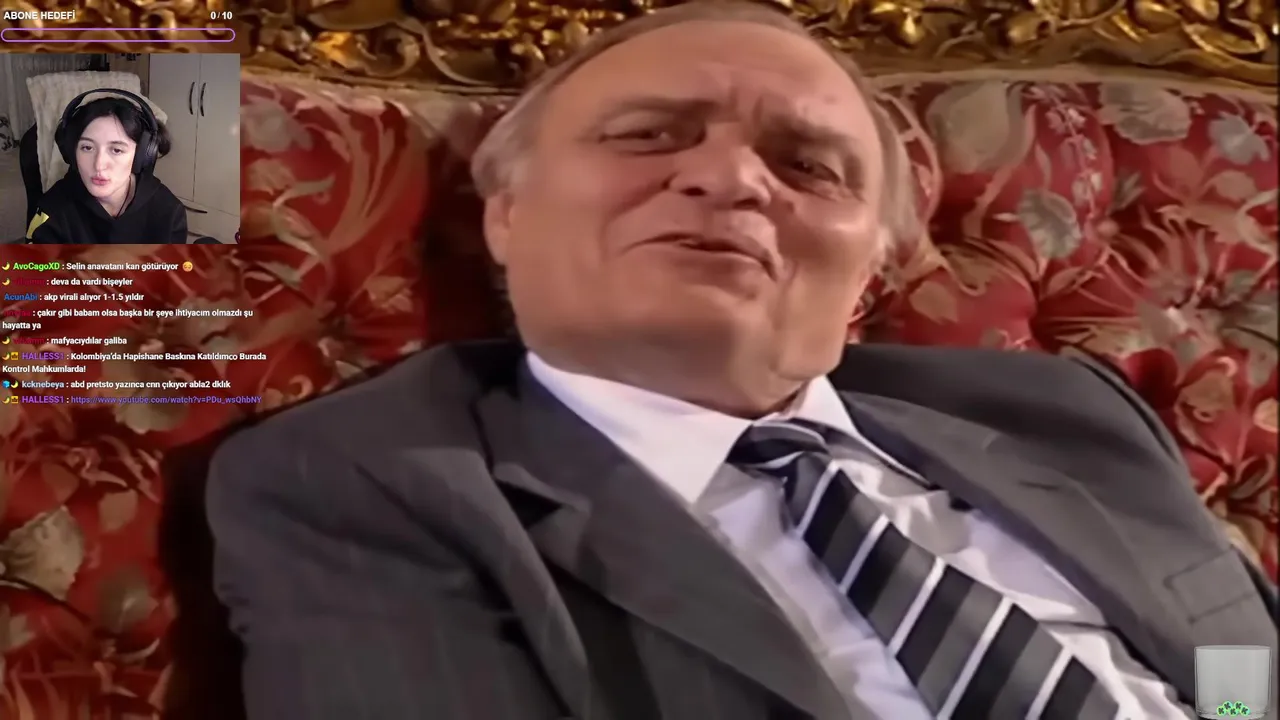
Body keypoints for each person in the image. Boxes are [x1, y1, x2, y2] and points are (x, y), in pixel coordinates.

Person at [204, 3, 1278, 719]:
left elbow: (1234, 665)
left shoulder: (1060, 413)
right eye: (647, 135)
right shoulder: (375, 480)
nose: (730, 179)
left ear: (870, 269)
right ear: (506, 215)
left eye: (808, 165)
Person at [27, 90, 188, 244]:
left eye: (116, 150)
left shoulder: (169, 212)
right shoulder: (52, 211)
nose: (99, 165)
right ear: (71, 151)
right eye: (87, 148)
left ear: (141, 155)